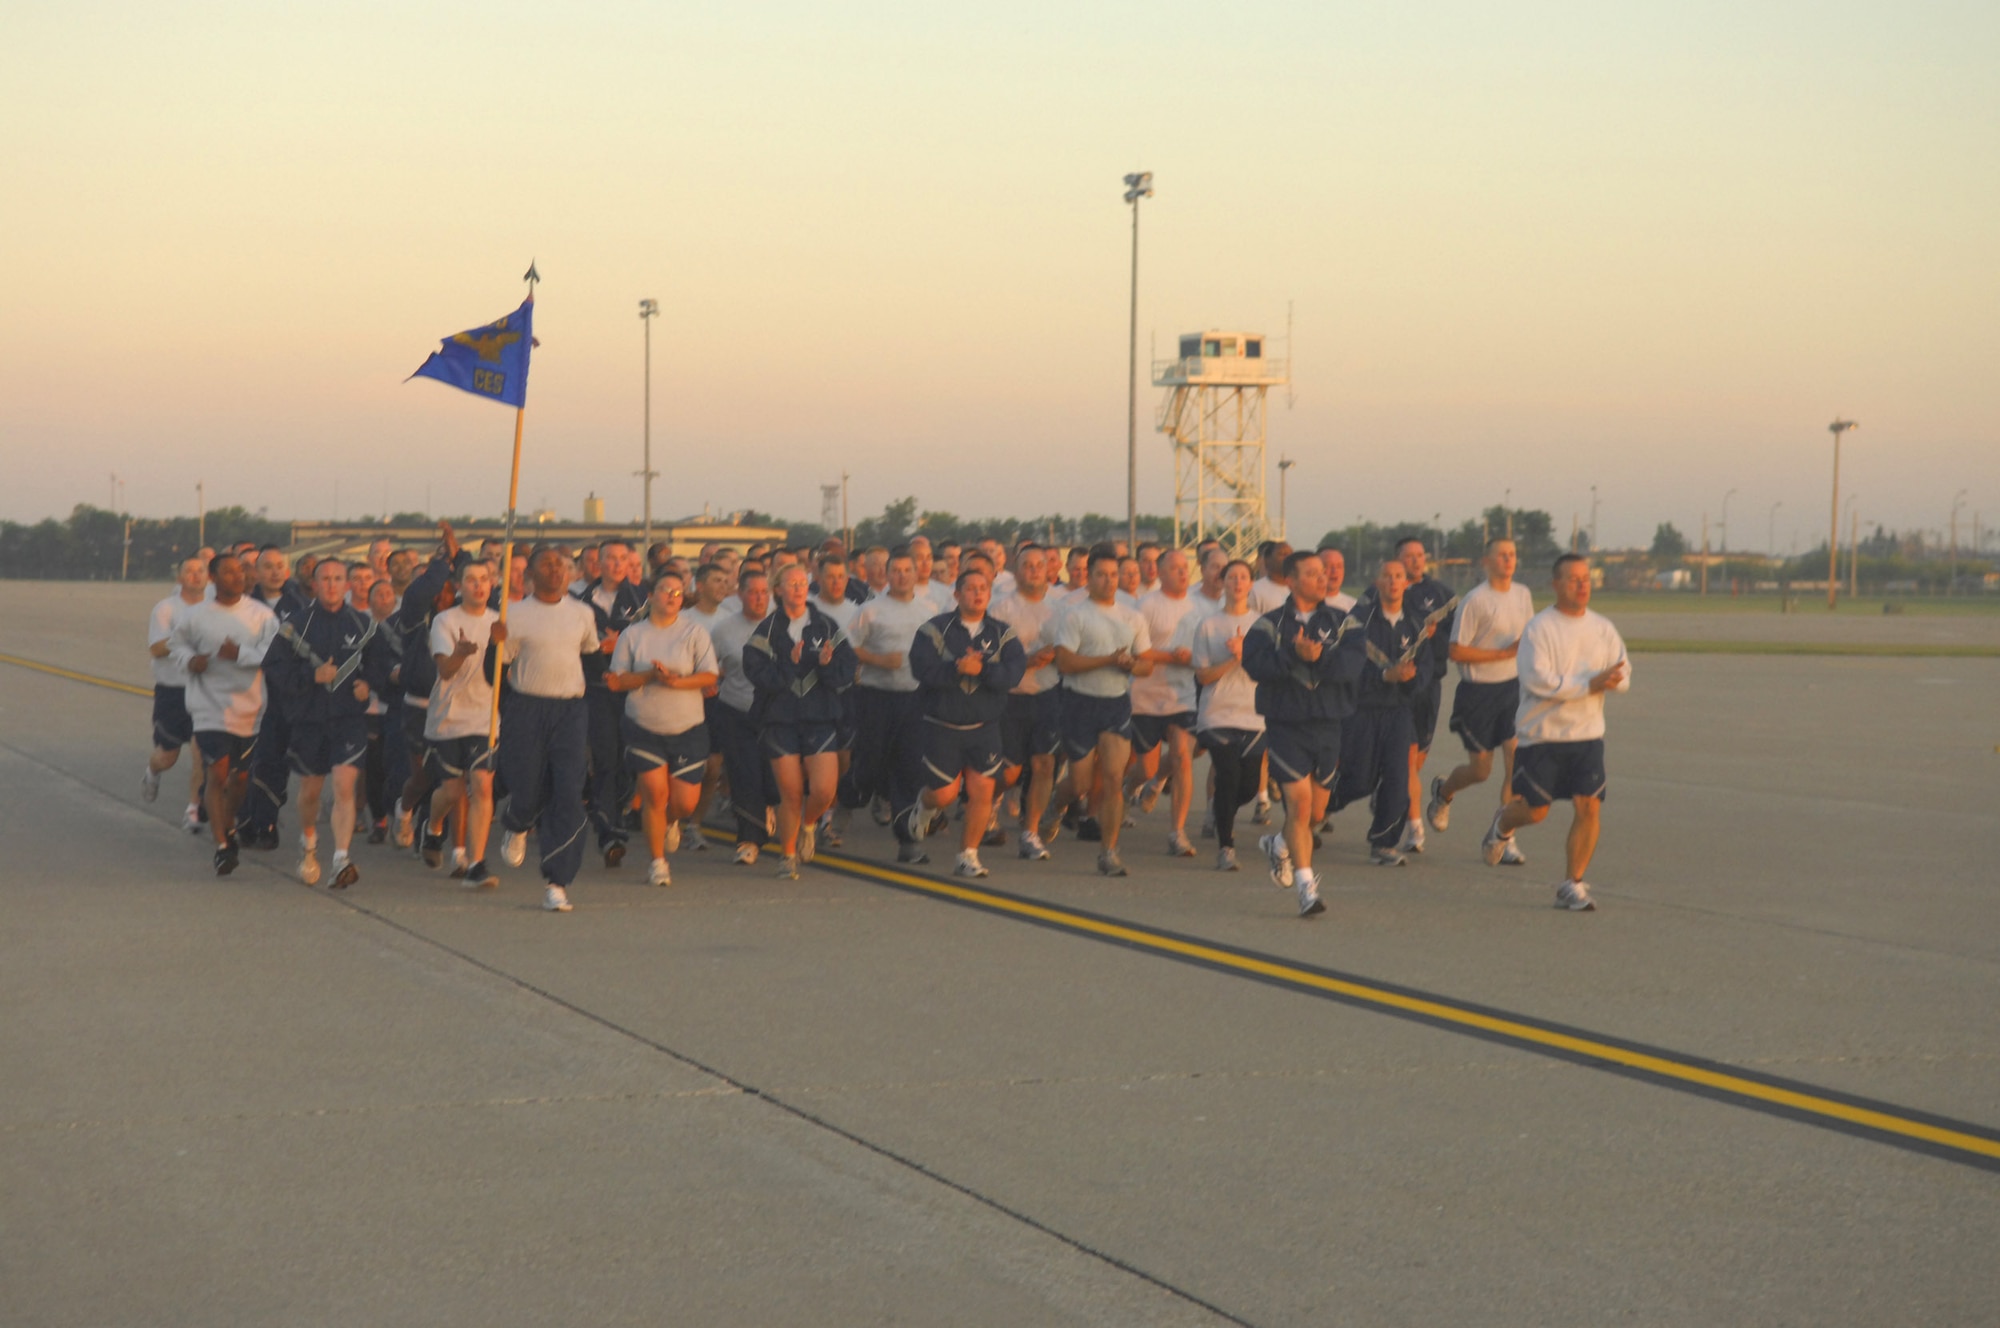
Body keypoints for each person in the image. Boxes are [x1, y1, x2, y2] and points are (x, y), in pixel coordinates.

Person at [1481, 553, 1629, 911]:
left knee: (1589, 806)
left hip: (1587, 736)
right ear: (1556, 584)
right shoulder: (1539, 629)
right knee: (1535, 811)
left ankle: (1571, 884)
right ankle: (1502, 823)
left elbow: (1623, 673)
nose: (1582, 585)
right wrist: (1590, 683)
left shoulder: (1603, 628)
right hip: (1541, 736)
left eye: (1586, 579)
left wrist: (1614, 680)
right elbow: (1538, 681)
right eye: (1573, 579)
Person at [1242, 551, 1368, 914]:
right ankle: (1306, 890)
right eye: (1312, 573)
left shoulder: (1345, 622)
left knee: (1315, 813)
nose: (1322, 578)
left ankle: (1279, 844)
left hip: (1329, 724)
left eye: (1323, 572)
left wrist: (1318, 657)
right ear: (1291, 581)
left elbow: (1352, 666)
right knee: (1298, 806)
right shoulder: (1268, 625)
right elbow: (1254, 665)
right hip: (1286, 726)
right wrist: (1292, 655)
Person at [493, 548, 602, 912]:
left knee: (568, 791)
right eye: (547, 564)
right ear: (530, 573)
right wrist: (495, 644)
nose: (555, 569)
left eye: (561, 564)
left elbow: (592, 662)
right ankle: (518, 820)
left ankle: (557, 881)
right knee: (526, 785)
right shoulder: (514, 615)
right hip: (527, 707)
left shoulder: (582, 613)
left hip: (570, 709)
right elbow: (494, 675)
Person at [275, 558, 393, 889]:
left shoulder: (363, 624)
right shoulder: (295, 625)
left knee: (344, 785)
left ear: (348, 585)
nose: (331, 584)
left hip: (348, 719)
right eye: (325, 579)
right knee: (310, 792)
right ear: (314, 584)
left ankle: (341, 858)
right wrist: (311, 676)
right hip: (310, 719)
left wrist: (369, 684)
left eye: (338, 578)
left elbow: (381, 663)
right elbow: (276, 669)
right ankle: (309, 844)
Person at [905, 567, 1025, 876]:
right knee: (944, 794)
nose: (977, 593)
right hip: (942, 726)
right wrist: (956, 668)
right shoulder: (934, 630)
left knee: (982, 791)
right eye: (970, 588)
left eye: (983, 588)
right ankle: (924, 806)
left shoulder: (1003, 633)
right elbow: (921, 669)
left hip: (985, 728)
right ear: (957, 594)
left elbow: (1013, 673)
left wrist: (982, 670)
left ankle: (967, 856)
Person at [741, 564, 856, 879]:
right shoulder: (767, 630)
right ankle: (787, 855)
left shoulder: (826, 625)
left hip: (820, 716)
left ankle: (809, 825)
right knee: (790, 793)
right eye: (790, 583)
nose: (798, 588)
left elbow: (847, 668)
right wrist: (788, 666)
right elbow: (756, 671)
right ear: (778, 590)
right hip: (780, 719)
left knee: (824, 789)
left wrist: (827, 666)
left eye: (802, 583)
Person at [1043, 547, 1153, 876]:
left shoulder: (1132, 617)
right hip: (1079, 703)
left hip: (1115, 703)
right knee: (1079, 783)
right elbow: (1065, 663)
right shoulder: (1075, 615)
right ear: (1088, 578)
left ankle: (1108, 852)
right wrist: (1108, 659)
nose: (1108, 581)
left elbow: (1147, 665)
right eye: (1101, 575)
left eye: (1113, 575)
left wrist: (1131, 664)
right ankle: (1057, 805)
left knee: (1113, 779)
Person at [606, 569, 719, 886]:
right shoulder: (633, 635)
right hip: (644, 726)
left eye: (678, 592)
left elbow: (709, 675)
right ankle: (658, 862)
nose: (671, 596)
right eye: (665, 590)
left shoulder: (694, 632)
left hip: (687, 727)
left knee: (684, 802)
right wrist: (650, 676)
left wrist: (676, 681)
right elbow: (617, 681)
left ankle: (671, 822)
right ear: (651, 596)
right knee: (655, 795)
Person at [169, 552, 278, 875]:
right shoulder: (195, 616)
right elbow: (176, 645)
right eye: (228, 572)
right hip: (208, 706)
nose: (237, 576)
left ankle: (227, 824)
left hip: (248, 709)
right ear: (213, 578)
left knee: (239, 779)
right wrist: (191, 661)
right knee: (217, 773)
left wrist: (239, 653)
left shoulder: (261, 615)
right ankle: (222, 846)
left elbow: (275, 654)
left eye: (240, 571)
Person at [1426, 537, 1533, 857]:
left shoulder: (1523, 594)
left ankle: (1504, 836)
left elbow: (1528, 639)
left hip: (1512, 688)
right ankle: (1443, 792)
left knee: (1515, 760)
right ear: (1486, 561)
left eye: (1512, 554)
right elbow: (1456, 651)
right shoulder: (1475, 600)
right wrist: (1502, 653)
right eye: (1501, 555)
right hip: (1478, 693)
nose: (1508, 560)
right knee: (1481, 771)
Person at [1328, 560, 1434, 868]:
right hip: (1361, 711)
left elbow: (1425, 668)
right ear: (1377, 581)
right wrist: (1384, 676)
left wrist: (1410, 679)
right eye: (1387, 576)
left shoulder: (1415, 625)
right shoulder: (1358, 621)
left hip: (1398, 712)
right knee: (1359, 779)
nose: (1393, 581)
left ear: (1405, 583)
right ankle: (1319, 807)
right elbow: (1346, 668)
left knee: (1399, 777)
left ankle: (1384, 842)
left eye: (1398, 576)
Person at [841, 548, 934, 861]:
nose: (902, 576)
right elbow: (848, 646)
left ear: (917, 573)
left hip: (915, 698)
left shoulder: (929, 611)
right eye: (896, 570)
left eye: (908, 570)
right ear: (887, 574)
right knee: (871, 764)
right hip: (876, 697)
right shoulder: (870, 610)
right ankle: (849, 793)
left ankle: (908, 842)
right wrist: (879, 660)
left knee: (910, 768)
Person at [423, 560, 501, 887]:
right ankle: (433, 826)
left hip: (485, 718)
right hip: (449, 716)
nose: (478, 585)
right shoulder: (445, 621)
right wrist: (460, 653)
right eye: (471, 580)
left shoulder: (500, 621)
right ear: (459, 586)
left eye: (484, 579)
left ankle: (477, 864)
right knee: (453, 792)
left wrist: (501, 644)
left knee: (482, 785)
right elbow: (445, 670)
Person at [1190, 560, 1265, 871]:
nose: (1237, 582)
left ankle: (1219, 810)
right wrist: (1235, 659)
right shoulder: (1208, 625)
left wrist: (1248, 654)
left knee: (1248, 787)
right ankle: (1226, 847)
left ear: (1251, 584)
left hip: (1254, 715)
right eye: (1231, 577)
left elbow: (1270, 671)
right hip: (1217, 714)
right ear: (1222, 583)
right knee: (1229, 775)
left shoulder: (1262, 624)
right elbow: (1203, 676)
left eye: (1243, 577)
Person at [1129, 549, 1205, 856]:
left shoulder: (1198, 607)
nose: (1183, 572)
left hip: (1182, 695)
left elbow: (1205, 651)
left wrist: (1193, 658)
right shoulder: (1146, 605)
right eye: (1175, 568)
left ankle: (1178, 832)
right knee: (1146, 767)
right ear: (1160, 573)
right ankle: (1127, 789)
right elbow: (1136, 651)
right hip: (1146, 696)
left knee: (1182, 758)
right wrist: (1171, 657)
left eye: (1185, 567)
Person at [577, 539, 645, 867]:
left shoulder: (642, 602)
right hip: (597, 690)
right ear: (598, 563)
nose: (617, 565)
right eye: (610, 558)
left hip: (634, 691)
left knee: (628, 762)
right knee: (605, 759)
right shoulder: (580, 604)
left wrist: (623, 643)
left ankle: (618, 813)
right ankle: (609, 832)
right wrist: (596, 646)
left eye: (623, 559)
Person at [992, 545, 1063, 860]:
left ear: (1049, 570)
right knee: (1009, 772)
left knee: (1044, 764)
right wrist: (1028, 660)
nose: (1034, 570)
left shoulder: (1061, 608)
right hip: (1009, 697)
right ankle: (987, 803)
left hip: (1048, 695)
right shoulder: (1000, 608)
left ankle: (1030, 832)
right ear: (1016, 570)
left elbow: (1072, 648)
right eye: (1027, 565)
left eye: (1039, 565)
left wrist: (1058, 655)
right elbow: (989, 656)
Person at [1390, 538, 1455, 856]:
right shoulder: (1387, 592)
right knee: (1406, 759)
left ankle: (1406, 795)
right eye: (1409, 556)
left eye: (1420, 555)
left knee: (1415, 762)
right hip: (1396, 688)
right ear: (1397, 560)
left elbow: (1456, 638)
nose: (1416, 560)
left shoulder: (1442, 595)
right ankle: (1414, 828)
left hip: (1429, 687)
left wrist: (1433, 637)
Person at [708, 568, 778, 863]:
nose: (759, 598)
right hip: (736, 710)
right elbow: (708, 667)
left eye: (764, 592)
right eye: (752, 592)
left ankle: (769, 807)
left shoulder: (784, 624)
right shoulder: (723, 629)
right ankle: (748, 839)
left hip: (776, 714)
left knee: (773, 777)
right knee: (744, 775)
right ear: (740, 595)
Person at [239, 545, 307, 850]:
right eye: (267, 566)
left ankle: (266, 820)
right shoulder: (243, 606)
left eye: (280, 566)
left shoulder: (302, 607)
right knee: (248, 762)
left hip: (285, 698)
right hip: (248, 694)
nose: (275, 572)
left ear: (288, 571)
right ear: (255, 573)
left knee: (276, 762)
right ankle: (246, 819)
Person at [143, 556, 211, 832]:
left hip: (204, 691)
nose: (195, 575)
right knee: (167, 757)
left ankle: (193, 809)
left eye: (201, 571)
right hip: (173, 691)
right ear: (179, 578)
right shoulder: (166, 609)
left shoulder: (215, 608)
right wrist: (185, 642)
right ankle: (152, 772)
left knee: (200, 752)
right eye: (189, 571)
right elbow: (156, 648)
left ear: (208, 577)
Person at [1249, 541, 1293, 614]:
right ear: (1268, 560)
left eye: (1290, 554)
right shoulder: (1255, 590)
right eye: (1282, 554)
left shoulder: (1301, 589)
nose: (1287, 557)